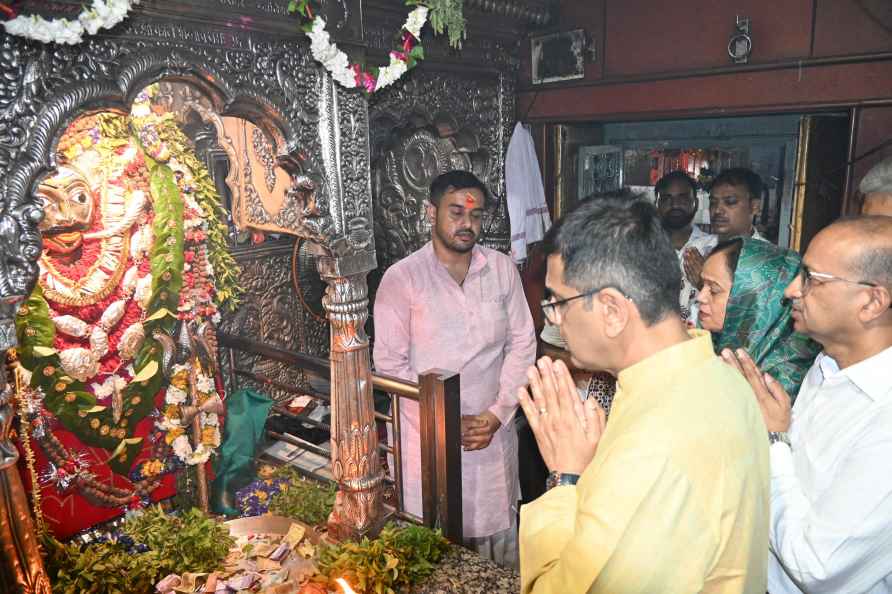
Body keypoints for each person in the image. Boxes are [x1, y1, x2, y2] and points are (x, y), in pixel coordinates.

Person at [517, 195, 770, 593]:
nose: (553, 319)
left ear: (613, 311)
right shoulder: (723, 379)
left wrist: (566, 478)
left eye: (558, 303)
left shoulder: (651, 446)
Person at [373, 170, 536, 568]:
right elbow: (389, 364)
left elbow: (522, 343)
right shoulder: (403, 279)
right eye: (457, 212)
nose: (467, 224)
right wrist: (444, 419)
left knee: (495, 559)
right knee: (433, 554)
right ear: (431, 212)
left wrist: (498, 414)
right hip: (425, 440)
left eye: (476, 215)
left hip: (490, 432)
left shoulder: (500, 269)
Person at [723, 216, 892, 594]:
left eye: (812, 278)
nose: (790, 290)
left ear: (872, 301)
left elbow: (816, 567)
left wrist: (772, 439)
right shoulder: (828, 363)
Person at [697, 238, 820, 396]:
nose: (700, 297)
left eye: (713, 290)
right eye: (702, 285)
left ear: (757, 300)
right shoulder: (710, 346)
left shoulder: (783, 381)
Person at [655, 170, 718, 322]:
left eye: (682, 198)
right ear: (656, 205)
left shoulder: (715, 247)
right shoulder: (642, 248)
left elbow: (734, 305)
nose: (674, 204)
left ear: (695, 203)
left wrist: (703, 282)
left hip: (701, 341)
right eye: (666, 198)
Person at [709, 168, 767, 242]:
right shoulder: (697, 247)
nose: (717, 210)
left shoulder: (769, 253)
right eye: (713, 202)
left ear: (754, 207)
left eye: (730, 202)